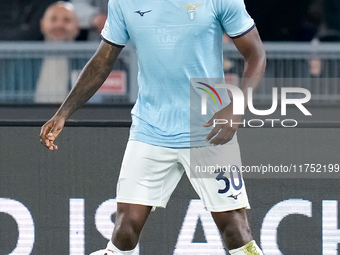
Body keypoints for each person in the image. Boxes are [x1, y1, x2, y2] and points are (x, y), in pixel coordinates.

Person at [40, 0, 266, 254]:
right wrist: (64, 112)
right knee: (124, 232)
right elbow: (103, 60)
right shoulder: (123, 3)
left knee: (236, 231)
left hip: (208, 131)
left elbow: (256, 53)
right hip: (150, 130)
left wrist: (236, 107)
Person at [34, 1, 80, 103]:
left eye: (66, 20)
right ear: (42, 25)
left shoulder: (92, 63)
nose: (59, 25)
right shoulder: (24, 62)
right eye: (53, 19)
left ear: (77, 27)